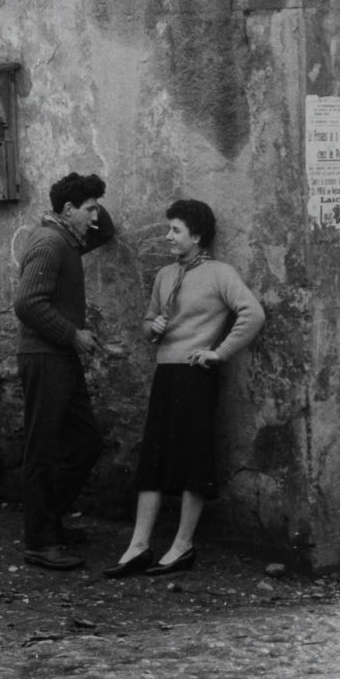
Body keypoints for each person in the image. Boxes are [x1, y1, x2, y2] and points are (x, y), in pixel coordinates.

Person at [109, 198, 264, 577]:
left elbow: (253, 313)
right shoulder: (164, 275)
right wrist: (153, 328)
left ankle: (182, 546)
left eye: (175, 230)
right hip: (166, 375)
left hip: (197, 377)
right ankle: (139, 546)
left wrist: (219, 353)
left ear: (196, 235)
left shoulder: (220, 273)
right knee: (153, 460)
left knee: (193, 459)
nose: (168, 236)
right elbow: (147, 323)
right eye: (169, 229)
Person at [14, 171, 114, 570]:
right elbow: (27, 304)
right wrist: (72, 335)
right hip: (44, 355)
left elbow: (104, 231)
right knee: (43, 449)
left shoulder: (70, 238)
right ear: (68, 210)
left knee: (86, 442)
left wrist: (87, 192)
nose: (95, 215)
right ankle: (39, 542)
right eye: (89, 208)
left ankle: (50, 523)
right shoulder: (51, 242)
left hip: (59, 356)